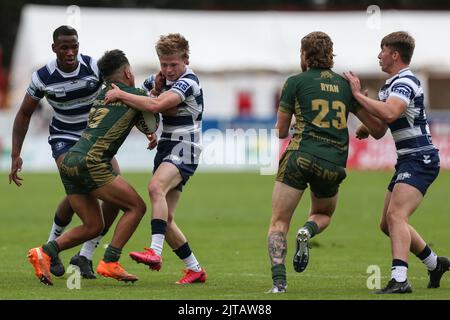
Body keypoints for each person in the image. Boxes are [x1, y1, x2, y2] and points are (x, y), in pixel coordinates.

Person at [267, 31, 386, 293]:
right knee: (322, 214)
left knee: (278, 223)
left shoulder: (294, 82)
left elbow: (281, 131)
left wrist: (299, 119)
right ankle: (307, 231)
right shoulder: (346, 85)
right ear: (330, 55)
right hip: (333, 163)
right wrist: (359, 97)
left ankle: (279, 284)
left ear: (304, 55)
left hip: (300, 156)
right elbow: (378, 129)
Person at [27, 49, 149, 285]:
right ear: (127, 72)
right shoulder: (134, 94)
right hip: (92, 163)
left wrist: (147, 132)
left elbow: (132, 117)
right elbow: (155, 108)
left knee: (93, 226)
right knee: (137, 207)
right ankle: (110, 261)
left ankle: (44, 252)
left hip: (70, 160)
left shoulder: (101, 94)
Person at [9, 25, 119, 279]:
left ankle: (84, 255)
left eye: (74, 47)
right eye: (64, 48)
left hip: (94, 138)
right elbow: (24, 113)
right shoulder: (43, 77)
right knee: (81, 187)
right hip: (64, 139)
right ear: (54, 49)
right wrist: (16, 153)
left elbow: (120, 91)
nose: (70, 52)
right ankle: (53, 249)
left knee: (112, 192)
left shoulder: (94, 68)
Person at [344, 31, 449, 294]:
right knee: (386, 223)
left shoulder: (406, 81)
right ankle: (435, 264)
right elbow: (380, 127)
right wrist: (361, 115)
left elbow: (391, 111)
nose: (379, 55)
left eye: (382, 50)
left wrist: (357, 96)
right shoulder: (390, 84)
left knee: (396, 216)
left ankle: (400, 279)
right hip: (407, 159)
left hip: (420, 157)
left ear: (395, 54)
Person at [104, 33, 207, 284]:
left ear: (186, 60)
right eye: (164, 64)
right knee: (166, 219)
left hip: (185, 146)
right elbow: (146, 103)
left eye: (174, 64)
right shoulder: (157, 80)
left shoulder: (188, 82)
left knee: (155, 187)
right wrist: (149, 125)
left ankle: (154, 251)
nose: (169, 70)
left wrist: (124, 95)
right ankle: (195, 269)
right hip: (166, 147)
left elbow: (155, 106)